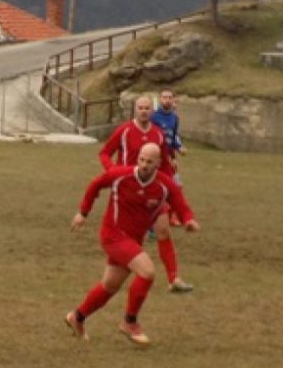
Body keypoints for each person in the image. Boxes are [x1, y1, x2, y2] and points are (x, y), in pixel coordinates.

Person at [65, 143, 200, 347]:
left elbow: (181, 203)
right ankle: (130, 322)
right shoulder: (121, 175)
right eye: (142, 160)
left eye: (149, 161)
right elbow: (95, 185)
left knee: (110, 286)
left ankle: (78, 317)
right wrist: (83, 213)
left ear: (159, 163)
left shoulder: (165, 185)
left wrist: (188, 219)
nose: (144, 164)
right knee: (147, 272)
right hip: (113, 235)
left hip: (133, 240)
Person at [99, 95, 194, 293]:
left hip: (153, 190)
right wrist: (112, 172)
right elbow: (104, 153)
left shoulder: (158, 134)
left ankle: (173, 278)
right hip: (128, 193)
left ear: (152, 111)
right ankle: (121, 268)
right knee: (128, 234)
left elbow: (164, 162)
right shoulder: (124, 131)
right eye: (140, 107)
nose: (143, 111)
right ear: (135, 110)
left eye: (147, 108)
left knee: (163, 230)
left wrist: (168, 186)